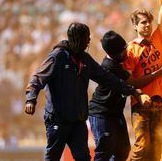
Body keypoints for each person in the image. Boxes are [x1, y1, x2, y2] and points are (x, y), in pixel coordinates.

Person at [24, 22, 148, 161]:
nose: (89, 40)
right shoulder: (57, 57)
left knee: (83, 158)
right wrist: (30, 99)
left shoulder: (85, 59)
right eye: (86, 37)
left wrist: (133, 91)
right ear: (76, 39)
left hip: (78, 120)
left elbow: (108, 79)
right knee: (53, 158)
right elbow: (37, 78)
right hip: (58, 119)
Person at [88, 30, 162, 161]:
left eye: (125, 48)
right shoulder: (110, 66)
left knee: (123, 151)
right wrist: (160, 72)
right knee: (104, 152)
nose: (126, 52)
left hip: (116, 113)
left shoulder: (121, 60)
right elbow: (133, 83)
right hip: (101, 113)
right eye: (122, 51)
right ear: (113, 54)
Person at [123, 0, 162, 161]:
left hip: (161, 102)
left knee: (156, 152)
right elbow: (129, 82)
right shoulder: (130, 49)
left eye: (149, 22)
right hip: (141, 103)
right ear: (134, 26)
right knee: (142, 148)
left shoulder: (159, 37)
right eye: (142, 22)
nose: (147, 25)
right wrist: (159, 73)